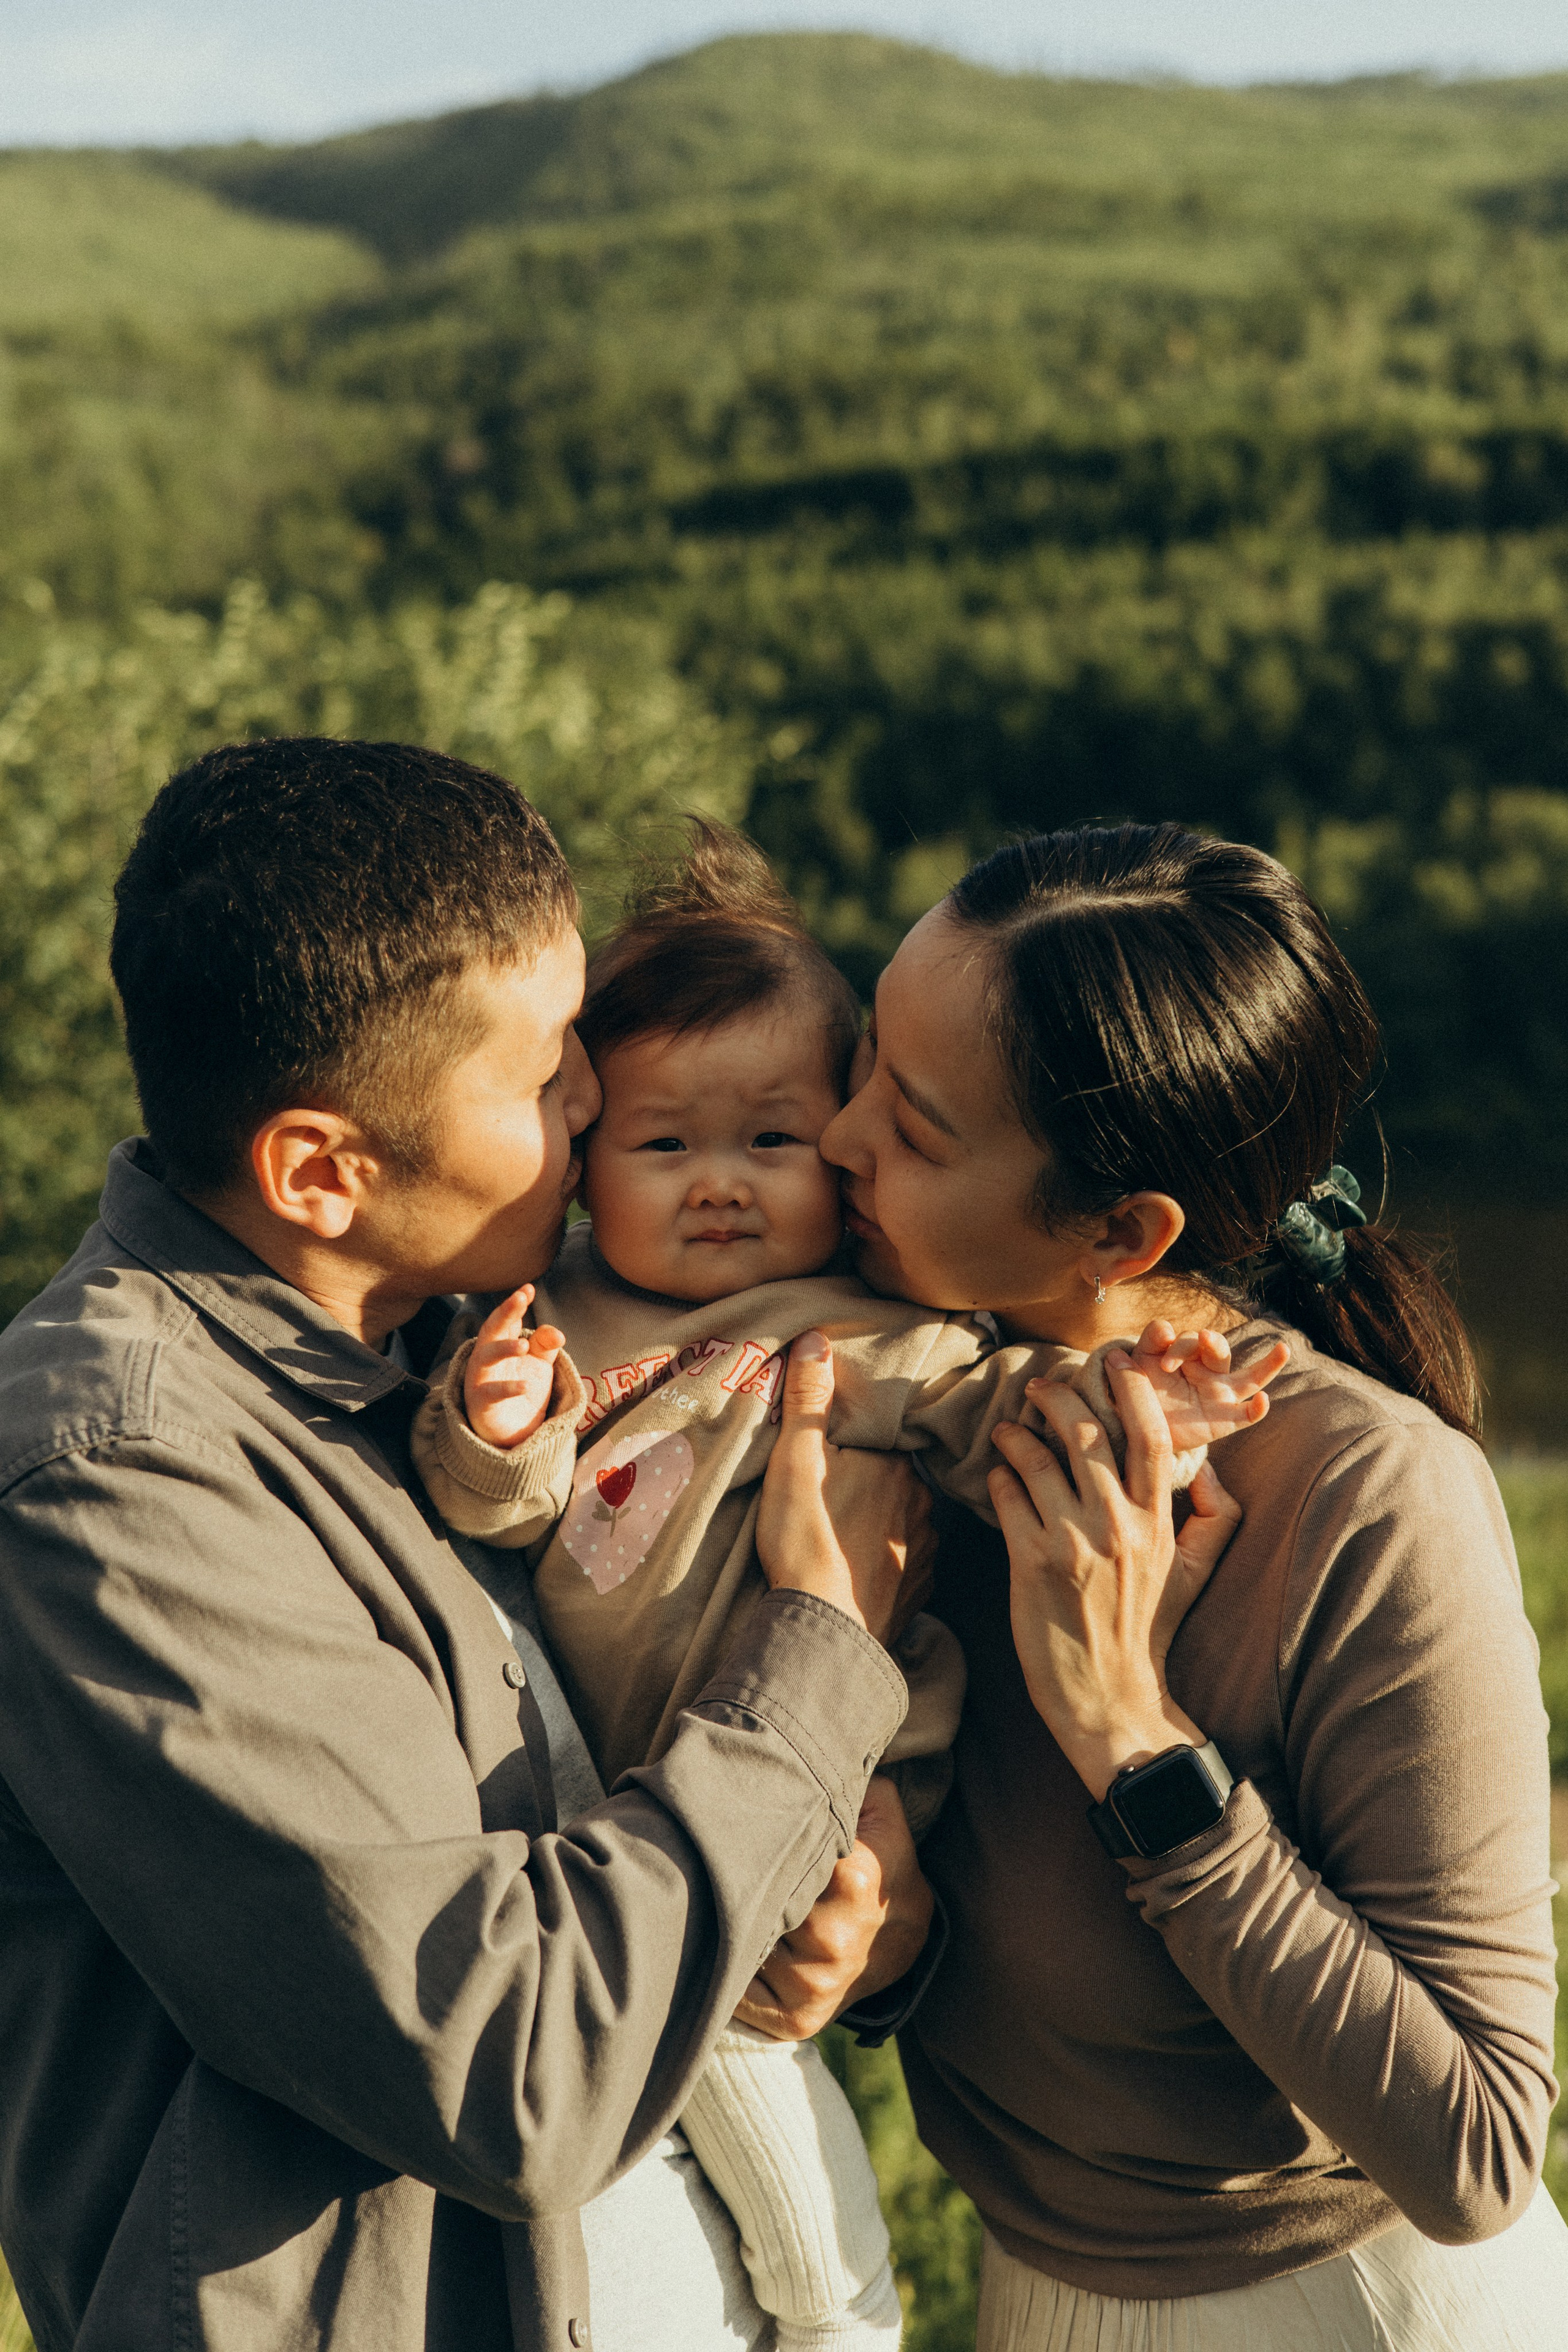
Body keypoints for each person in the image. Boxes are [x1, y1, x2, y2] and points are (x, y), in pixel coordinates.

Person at [0, 739, 937, 2352]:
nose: (595, 1097)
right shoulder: (117, 1479)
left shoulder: (457, 1345)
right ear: (320, 1170)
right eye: (542, 1073)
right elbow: (514, 2071)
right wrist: (819, 1656)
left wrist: (858, 1912)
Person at [405, 823, 1280, 2352]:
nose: (721, 1188)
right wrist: (488, 1424)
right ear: (583, 1157)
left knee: (759, 2111)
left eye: (775, 1140)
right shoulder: (550, 1323)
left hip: (791, 1828)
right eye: (663, 1147)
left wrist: (1141, 1395)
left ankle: (843, 2324)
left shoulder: (882, 1338)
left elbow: (1010, 1414)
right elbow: (494, 1503)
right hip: (596, 1813)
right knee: (676, 2102)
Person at [818, 822, 1567, 2352]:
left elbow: (1477, 2149)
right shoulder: (908, 1417)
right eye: (857, 1070)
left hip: (1353, 2313)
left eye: (911, 1123)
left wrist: (1126, 1733)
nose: (834, 1140)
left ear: (1120, 1233)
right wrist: (883, 1965)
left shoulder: (1371, 1496)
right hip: (1031, 2299)